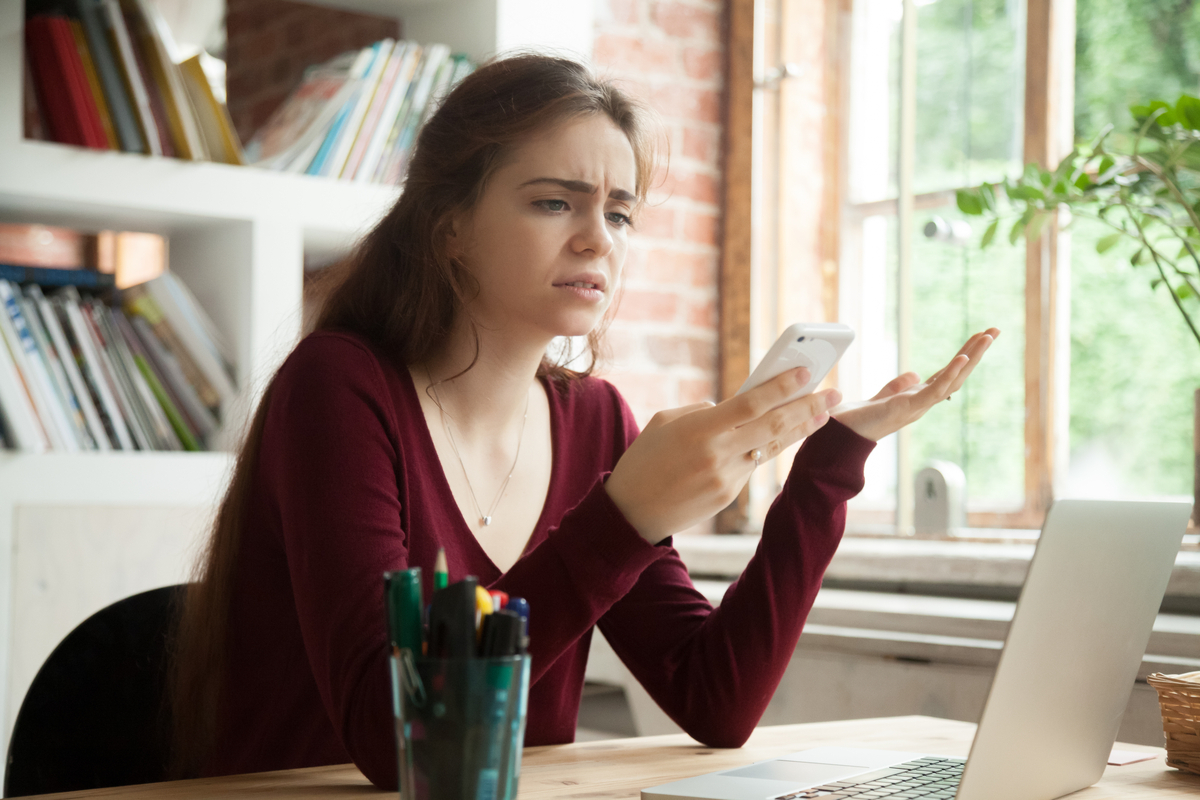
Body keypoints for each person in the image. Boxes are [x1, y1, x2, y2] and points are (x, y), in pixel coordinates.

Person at [168, 53, 997, 789]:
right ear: (450, 226)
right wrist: (625, 517)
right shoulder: (339, 388)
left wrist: (827, 470)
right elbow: (403, 749)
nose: (598, 240)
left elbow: (715, 700)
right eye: (556, 203)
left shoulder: (595, 419)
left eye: (621, 213)